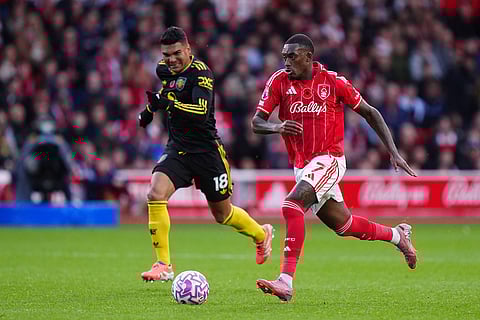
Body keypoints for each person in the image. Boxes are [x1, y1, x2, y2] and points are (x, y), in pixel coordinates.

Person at [251, 34, 417, 302]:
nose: (286, 62)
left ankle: (285, 281)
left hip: (330, 159)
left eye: (291, 56)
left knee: (291, 206)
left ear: (308, 56)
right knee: (345, 225)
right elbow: (256, 123)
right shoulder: (279, 82)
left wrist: (394, 152)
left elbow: (371, 112)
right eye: (283, 56)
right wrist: (277, 127)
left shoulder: (333, 82)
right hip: (302, 166)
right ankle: (399, 236)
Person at [138, 26, 273, 282]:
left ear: (188, 50)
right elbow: (165, 94)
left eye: (177, 53)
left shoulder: (202, 74)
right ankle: (163, 263)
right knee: (155, 193)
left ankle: (260, 233)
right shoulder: (163, 69)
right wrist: (149, 109)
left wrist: (167, 103)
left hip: (207, 152)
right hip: (178, 148)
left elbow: (200, 111)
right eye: (167, 54)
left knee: (223, 214)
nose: (172, 59)